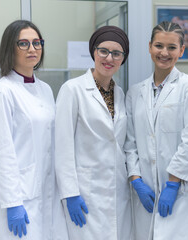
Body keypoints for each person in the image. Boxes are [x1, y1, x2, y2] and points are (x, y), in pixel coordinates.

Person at [125, 21, 188, 240]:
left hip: (181, 191)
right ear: (149, 47)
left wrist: (172, 184)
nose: (164, 53)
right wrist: (136, 179)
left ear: (181, 51)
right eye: (159, 46)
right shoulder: (136, 92)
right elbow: (130, 142)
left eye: (172, 47)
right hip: (145, 190)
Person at [0, 20, 68, 239]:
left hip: (49, 190)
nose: (32, 49)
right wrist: (13, 203)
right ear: (9, 48)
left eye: (37, 43)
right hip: (20, 194)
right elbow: (2, 151)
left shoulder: (45, 89)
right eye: (23, 43)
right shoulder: (2, 91)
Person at [55, 26, 132, 239]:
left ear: (123, 58)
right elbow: (62, 146)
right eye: (103, 51)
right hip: (85, 191)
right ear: (93, 52)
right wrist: (70, 193)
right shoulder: (72, 90)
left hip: (117, 189)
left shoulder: (119, 93)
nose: (109, 58)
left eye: (117, 53)